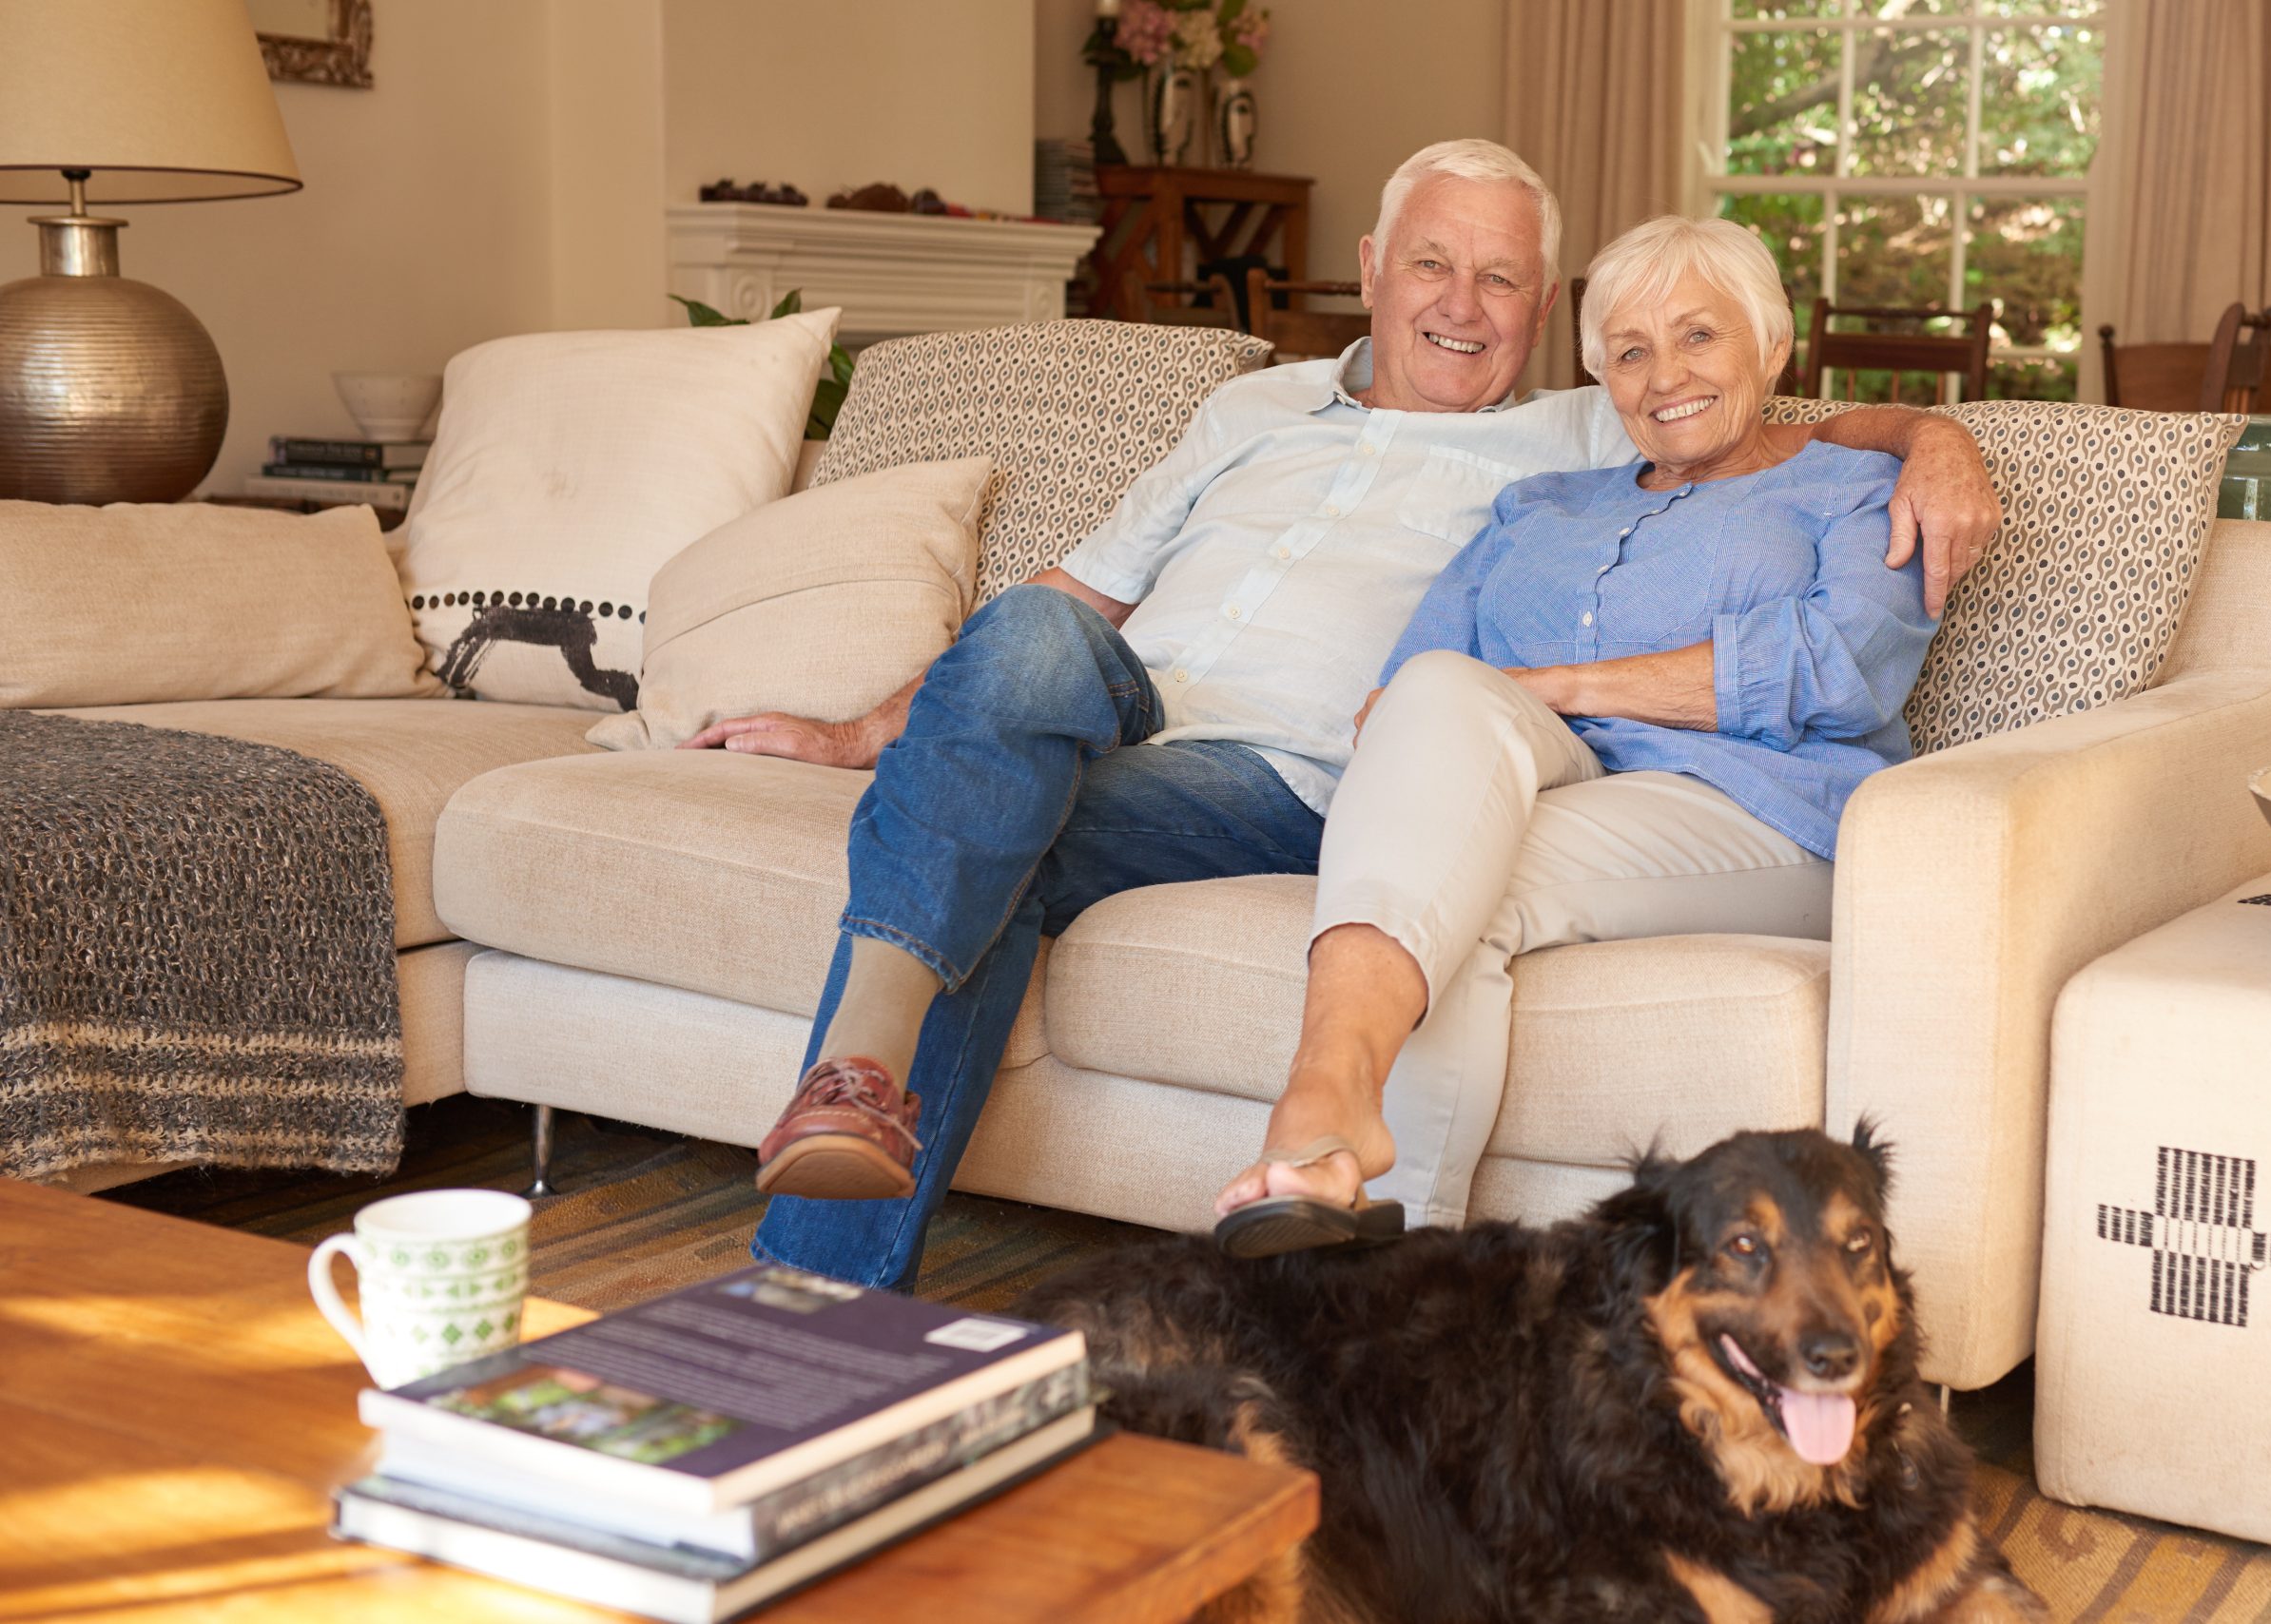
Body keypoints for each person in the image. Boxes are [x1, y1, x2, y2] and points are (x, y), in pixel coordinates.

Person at [687, 142, 2002, 1291]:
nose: (1462, 305)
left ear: (1541, 314)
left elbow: (1763, 427)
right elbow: (1067, 594)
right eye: (1435, 264)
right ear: (1374, 266)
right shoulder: (1262, 413)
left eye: (1502, 281)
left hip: (1282, 782)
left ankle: (815, 1290)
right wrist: (869, 732)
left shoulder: (1569, 440)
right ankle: (854, 1092)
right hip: (1109, 718)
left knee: (990, 839)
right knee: (1026, 652)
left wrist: (1938, 436)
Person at [1212, 214, 1946, 1256]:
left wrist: (1557, 683)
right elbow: (1408, 701)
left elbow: (1834, 666)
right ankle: (1349, 1166)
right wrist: (1487, 711)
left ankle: (1362, 1207)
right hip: (1554, 788)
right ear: (1599, 373)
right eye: (1630, 352)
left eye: (1699, 337)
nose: (1663, 376)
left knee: (1461, 894)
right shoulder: (1538, 506)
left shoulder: (1852, 488)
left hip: (1759, 805)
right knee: (1437, 747)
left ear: (1772, 346)